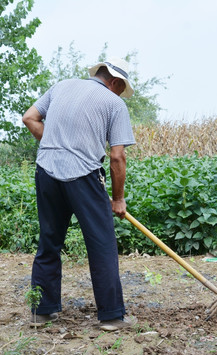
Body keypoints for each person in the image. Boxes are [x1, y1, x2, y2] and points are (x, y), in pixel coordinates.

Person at [22, 57, 137, 331]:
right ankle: (111, 317)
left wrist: (56, 143)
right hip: (84, 175)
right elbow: (117, 157)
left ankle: (42, 311)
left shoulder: (61, 86)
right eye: (122, 88)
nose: (122, 93)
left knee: (49, 241)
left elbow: (29, 118)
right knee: (102, 245)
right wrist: (118, 199)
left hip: (46, 171)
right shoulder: (114, 103)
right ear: (116, 82)